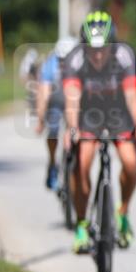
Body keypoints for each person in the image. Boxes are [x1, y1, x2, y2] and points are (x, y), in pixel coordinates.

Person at [63, 11, 136, 254]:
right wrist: (72, 129)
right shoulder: (74, 58)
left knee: (131, 164)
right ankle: (81, 224)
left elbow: (132, 96)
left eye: (103, 49)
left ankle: (122, 212)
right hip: (88, 113)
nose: (98, 54)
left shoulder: (124, 55)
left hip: (118, 112)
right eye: (93, 49)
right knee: (82, 165)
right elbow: (72, 100)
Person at [34, 37, 78, 189]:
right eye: (61, 60)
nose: (63, 63)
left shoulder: (81, 64)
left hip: (75, 100)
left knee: (78, 133)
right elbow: (43, 94)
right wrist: (40, 120)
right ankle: (53, 163)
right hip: (57, 100)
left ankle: (76, 164)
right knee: (53, 130)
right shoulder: (50, 65)